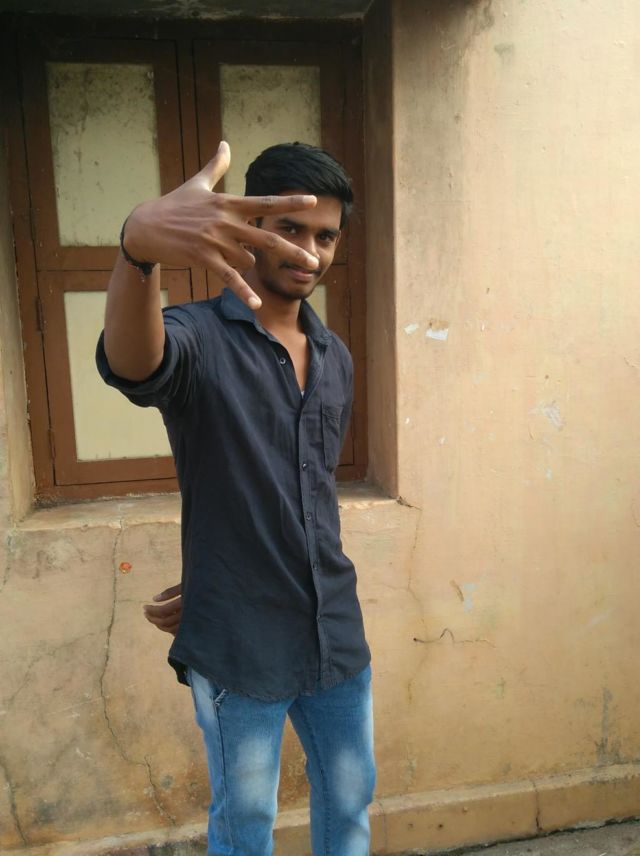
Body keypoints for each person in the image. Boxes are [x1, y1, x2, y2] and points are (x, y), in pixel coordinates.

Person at [97, 141, 375, 856]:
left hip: (334, 628)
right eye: (290, 229)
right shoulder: (196, 336)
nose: (308, 251)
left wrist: (212, 570)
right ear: (249, 229)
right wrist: (137, 252)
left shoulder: (335, 357)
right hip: (240, 642)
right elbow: (134, 363)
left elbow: (301, 491)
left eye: (325, 236)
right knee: (246, 820)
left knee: (350, 802)